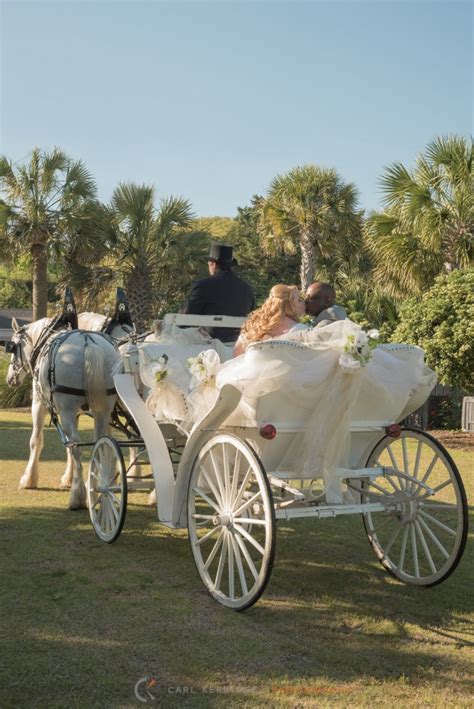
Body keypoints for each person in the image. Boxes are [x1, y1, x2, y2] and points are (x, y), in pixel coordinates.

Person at [185, 243, 254, 343]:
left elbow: (186, 317)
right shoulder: (247, 288)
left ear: (213, 264)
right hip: (237, 345)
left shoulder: (203, 285)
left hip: (207, 345)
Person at [233, 284, 307, 356]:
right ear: (289, 305)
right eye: (299, 300)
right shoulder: (302, 331)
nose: (304, 302)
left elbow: (237, 352)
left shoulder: (255, 326)